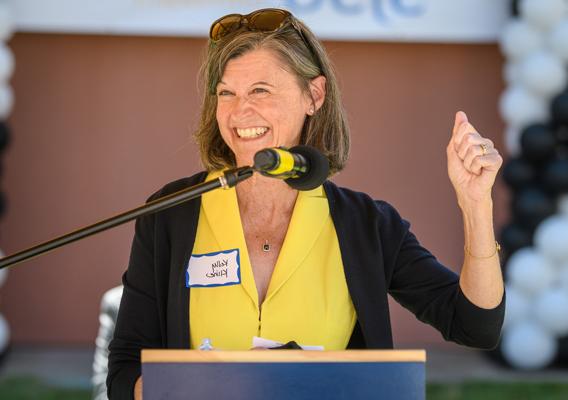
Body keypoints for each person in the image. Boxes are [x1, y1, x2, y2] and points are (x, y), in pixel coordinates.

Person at [107, 8, 505, 399]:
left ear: (314, 95)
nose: (239, 111)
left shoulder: (366, 225)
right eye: (226, 93)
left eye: (260, 90)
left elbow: (475, 325)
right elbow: (124, 374)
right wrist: (211, 386)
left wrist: (475, 206)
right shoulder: (171, 214)